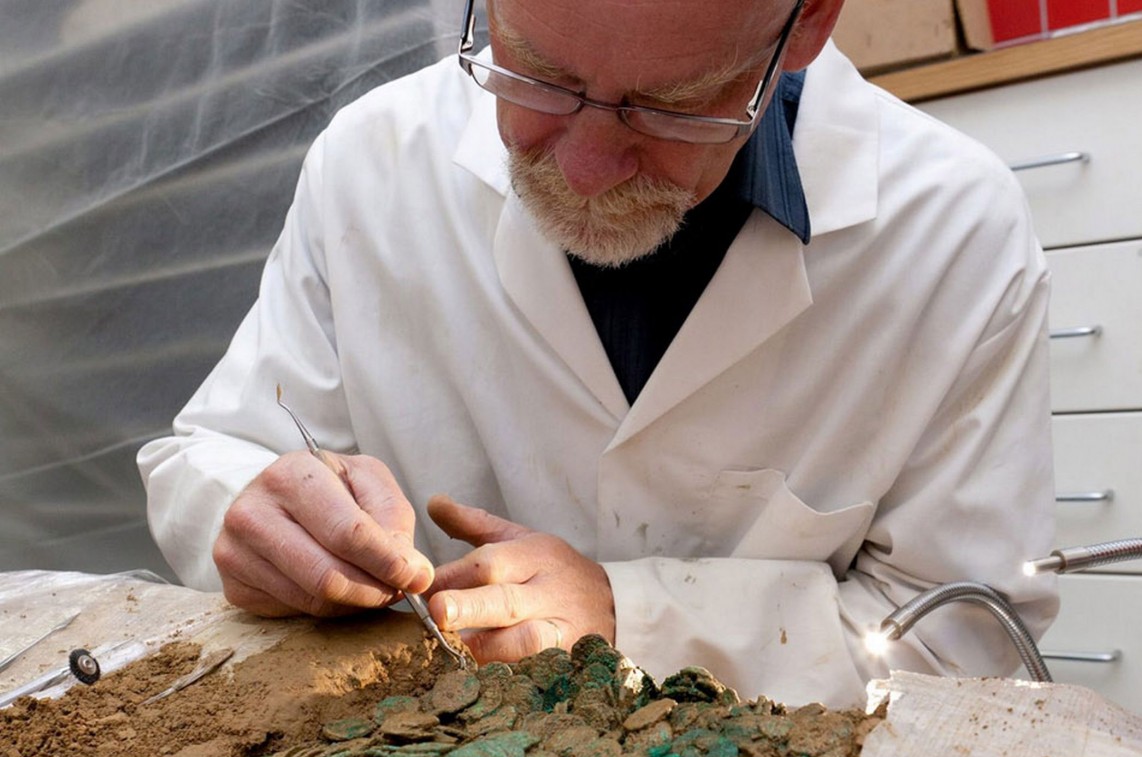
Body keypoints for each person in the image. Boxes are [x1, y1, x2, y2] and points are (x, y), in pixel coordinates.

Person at [138, 0, 1058, 709]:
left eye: (669, 107)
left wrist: (633, 619)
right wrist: (252, 512)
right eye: (533, 75)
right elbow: (215, 453)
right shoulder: (371, 161)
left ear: (806, 21)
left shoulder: (953, 231)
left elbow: (964, 637)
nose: (581, 168)